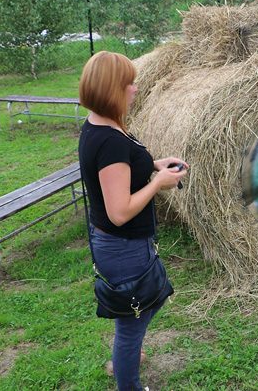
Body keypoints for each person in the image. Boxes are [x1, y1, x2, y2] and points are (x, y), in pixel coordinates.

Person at [78, 51, 187, 391]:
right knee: (132, 323)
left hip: (122, 246)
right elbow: (120, 211)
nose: (135, 89)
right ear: (113, 89)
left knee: (147, 304)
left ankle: (126, 351)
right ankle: (128, 378)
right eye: (129, 83)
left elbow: (123, 170)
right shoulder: (109, 142)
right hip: (123, 247)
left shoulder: (102, 125)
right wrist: (158, 184)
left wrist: (153, 165)